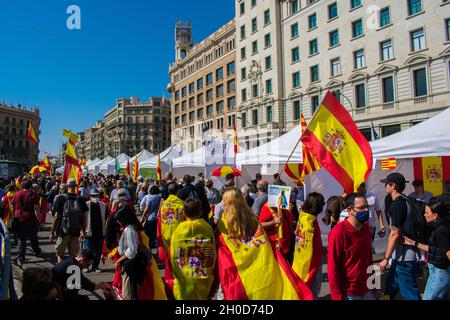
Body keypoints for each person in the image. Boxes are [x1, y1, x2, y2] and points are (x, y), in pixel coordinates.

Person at [216, 188, 313, 300]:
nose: (222, 202)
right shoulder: (251, 217)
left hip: (239, 269)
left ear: (228, 202)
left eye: (224, 200)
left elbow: (224, 248)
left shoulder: (224, 222)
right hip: (257, 265)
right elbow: (262, 239)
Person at [379, 173, 422, 300]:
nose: (385, 186)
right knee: (391, 286)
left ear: (393, 186)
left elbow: (395, 234)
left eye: (387, 183)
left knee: (410, 293)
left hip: (404, 256)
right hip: (400, 256)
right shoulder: (407, 201)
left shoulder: (398, 205)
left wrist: (385, 258)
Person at [165, 198, 217, 300]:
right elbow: (213, 252)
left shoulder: (178, 231)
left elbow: (172, 254)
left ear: (183, 213)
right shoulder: (207, 228)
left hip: (183, 279)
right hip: (203, 278)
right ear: (201, 212)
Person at [327, 193, 374, 300]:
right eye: (361, 208)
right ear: (349, 210)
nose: (366, 210)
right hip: (349, 293)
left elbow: (369, 259)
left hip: (367, 290)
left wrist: (375, 286)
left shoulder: (366, 229)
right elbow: (332, 268)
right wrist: (336, 297)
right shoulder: (338, 233)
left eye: (367, 207)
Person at [403, 200, 450, 300]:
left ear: (435, 215)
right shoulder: (438, 227)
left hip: (440, 273)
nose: (424, 215)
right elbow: (435, 249)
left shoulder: (441, 231)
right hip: (437, 271)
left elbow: (448, 252)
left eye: (427, 212)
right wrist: (414, 243)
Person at [292, 192, 325, 298]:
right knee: (312, 291)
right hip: (311, 264)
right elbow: (310, 248)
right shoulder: (310, 224)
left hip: (299, 260)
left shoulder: (303, 217)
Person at [50, 178, 89, 263]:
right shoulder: (80, 199)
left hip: (63, 230)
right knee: (74, 255)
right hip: (75, 230)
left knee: (60, 254)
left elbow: (56, 216)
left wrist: (52, 231)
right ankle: (73, 273)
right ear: (76, 186)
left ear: (67, 186)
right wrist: (83, 231)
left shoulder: (61, 198)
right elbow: (85, 217)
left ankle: (61, 272)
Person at [114, 205, 145, 300]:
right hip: (132, 264)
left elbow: (132, 250)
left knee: (128, 293)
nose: (118, 222)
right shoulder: (132, 228)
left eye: (119, 219)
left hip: (130, 265)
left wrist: (118, 260)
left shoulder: (129, 230)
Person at [12, 179, 42, 267]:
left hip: (19, 219)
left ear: (22, 186)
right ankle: (37, 251)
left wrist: (15, 215)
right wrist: (40, 220)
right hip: (30, 219)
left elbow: (12, 206)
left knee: (21, 239)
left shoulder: (17, 194)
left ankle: (21, 257)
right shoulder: (33, 195)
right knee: (33, 237)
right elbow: (36, 209)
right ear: (30, 187)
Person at [259, 193, 295, 261]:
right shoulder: (266, 208)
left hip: (287, 245)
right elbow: (261, 225)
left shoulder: (286, 206)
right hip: (275, 247)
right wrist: (274, 222)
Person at [157, 183, 185, 262]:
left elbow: (159, 220)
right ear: (178, 192)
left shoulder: (163, 205)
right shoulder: (182, 204)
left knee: (168, 259)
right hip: (178, 235)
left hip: (165, 234)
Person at [83, 188, 108, 273]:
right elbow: (81, 218)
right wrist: (81, 231)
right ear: (90, 196)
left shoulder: (103, 205)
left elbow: (107, 217)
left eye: (96, 195)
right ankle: (85, 266)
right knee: (87, 251)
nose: (95, 197)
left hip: (100, 232)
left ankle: (95, 266)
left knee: (98, 251)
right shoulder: (85, 205)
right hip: (88, 232)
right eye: (93, 196)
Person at [140, 185, 162, 249]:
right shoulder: (160, 198)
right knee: (156, 232)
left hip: (150, 218)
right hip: (157, 218)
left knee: (148, 233)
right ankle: (156, 245)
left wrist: (142, 217)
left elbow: (146, 208)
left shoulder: (149, 197)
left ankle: (150, 245)